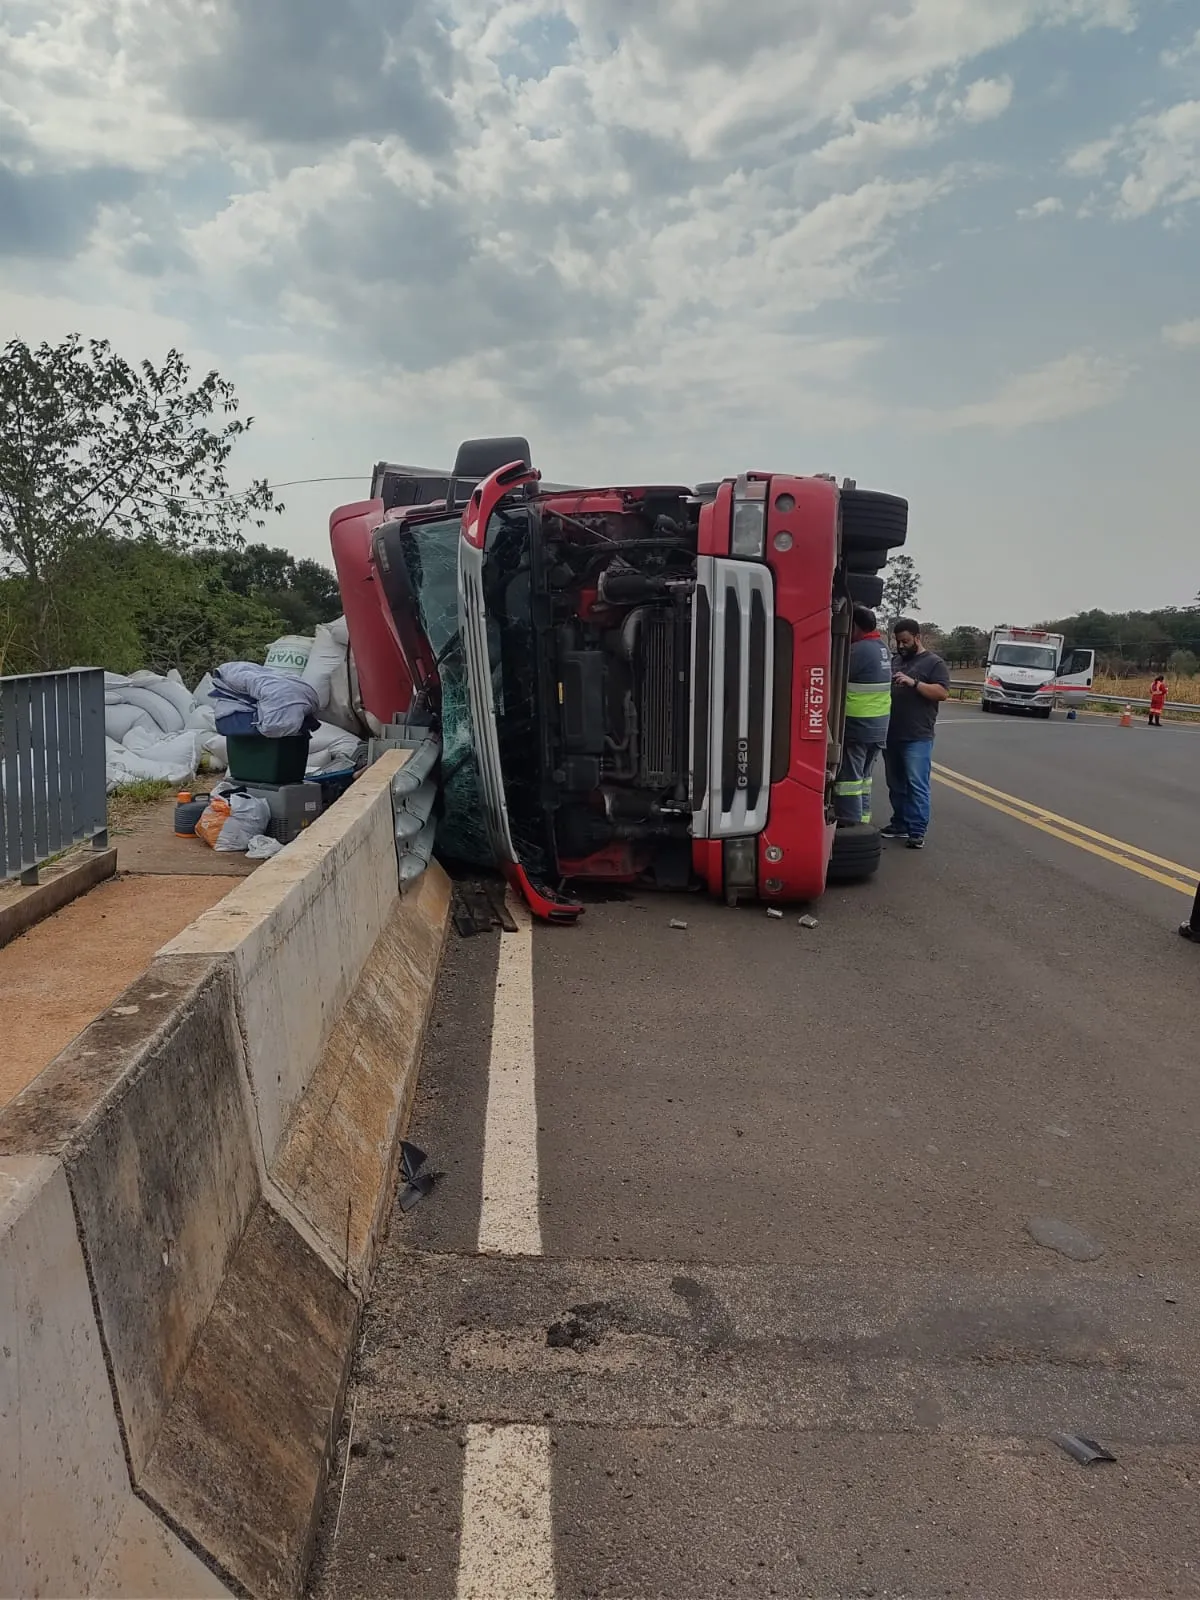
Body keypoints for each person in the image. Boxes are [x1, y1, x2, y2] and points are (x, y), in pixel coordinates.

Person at [882, 617, 951, 849]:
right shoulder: (896, 661)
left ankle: (917, 830)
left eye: (905, 641)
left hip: (917, 735)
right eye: (898, 641)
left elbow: (942, 693)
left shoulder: (934, 663)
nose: (901, 646)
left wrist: (914, 683)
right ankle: (899, 823)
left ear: (917, 638)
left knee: (916, 784)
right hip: (891, 733)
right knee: (895, 783)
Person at [834, 605, 891, 826]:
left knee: (849, 781)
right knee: (864, 780)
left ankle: (850, 825)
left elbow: (831, 674)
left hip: (858, 727)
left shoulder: (858, 651)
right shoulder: (882, 648)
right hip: (878, 728)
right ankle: (863, 822)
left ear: (854, 626)